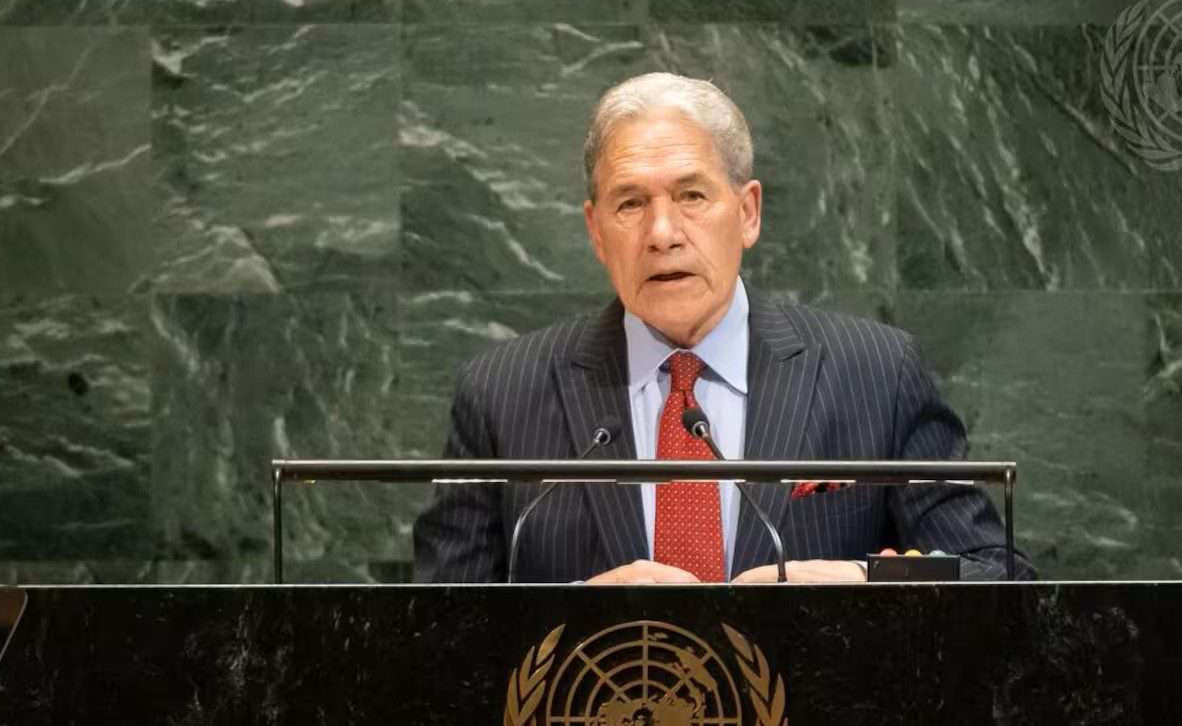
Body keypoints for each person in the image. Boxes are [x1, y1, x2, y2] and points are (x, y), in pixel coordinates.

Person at [414, 72, 1032, 584]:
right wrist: (570, 614)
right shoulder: (503, 394)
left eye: (691, 196)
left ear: (748, 212)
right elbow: (433, 628)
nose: (662, 233)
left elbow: (996, 575)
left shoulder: (875, 373)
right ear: (596, 232)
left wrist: (865, 581)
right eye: (630, 203)